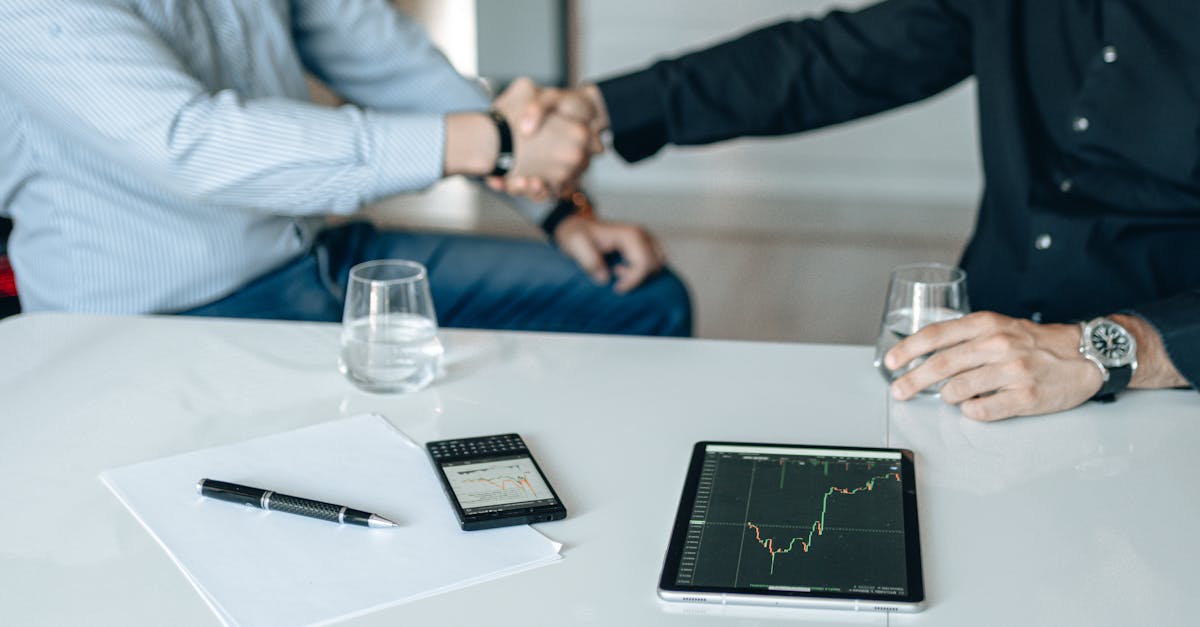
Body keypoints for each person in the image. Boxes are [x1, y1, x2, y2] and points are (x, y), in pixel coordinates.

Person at [508, 0, 1198, 419]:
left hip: (1166, 387)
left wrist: (1109, 350)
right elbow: (835, 59)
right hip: (976, 364)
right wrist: (598, 107)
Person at [0, 0, 691, 337]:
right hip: (156, 322)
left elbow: (383, 57)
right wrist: (495, 140)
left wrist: (560, 213)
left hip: (316, 259)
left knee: (642, 301)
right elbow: (196, 145)